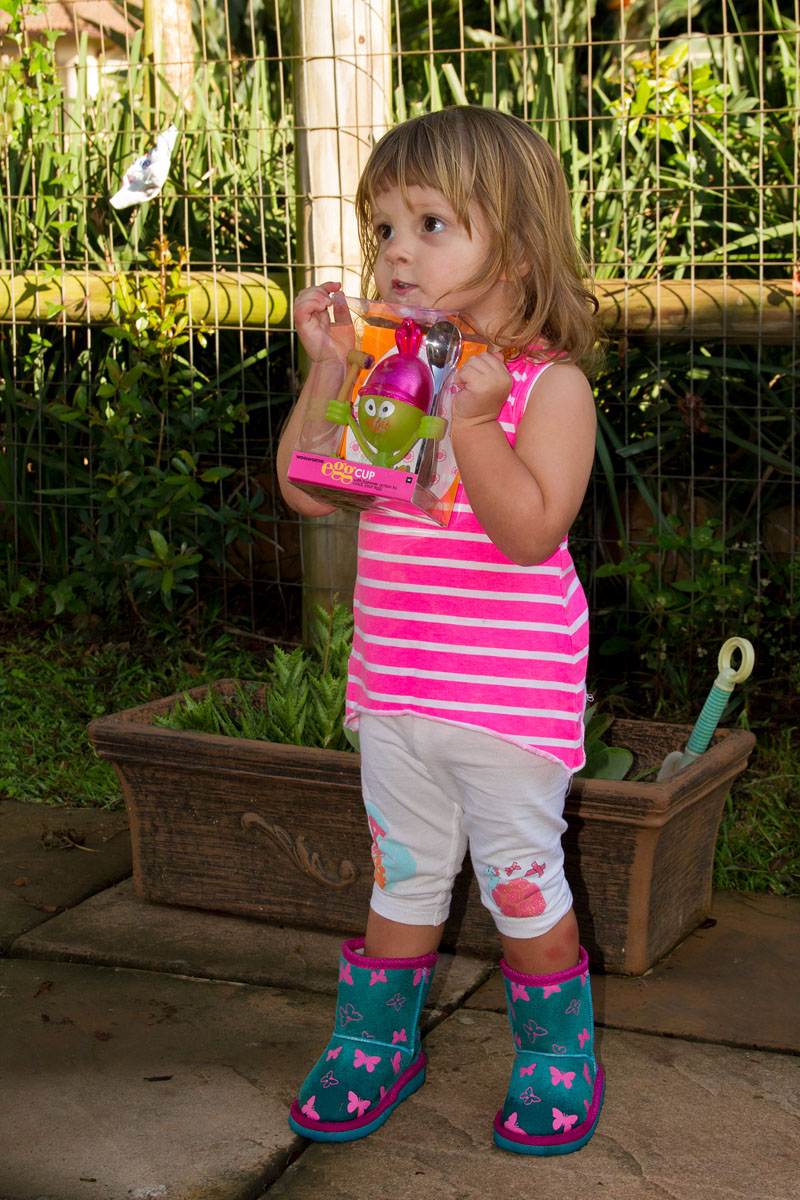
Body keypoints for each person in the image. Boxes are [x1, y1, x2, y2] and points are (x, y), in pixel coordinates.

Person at [277, 105, 602, 1156]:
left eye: (427, 224)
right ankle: (373, 1040)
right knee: (404, 872)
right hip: (397, 688)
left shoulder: (548, 389)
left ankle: (557, 1052)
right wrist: (329, 367)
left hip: (506, 703)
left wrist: (471, 423)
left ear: (510, 241)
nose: (393, 252)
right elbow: (308, 490)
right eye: (380, 228)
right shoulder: (392, 368)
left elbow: (528, 531)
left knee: (519, 877)